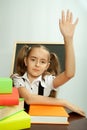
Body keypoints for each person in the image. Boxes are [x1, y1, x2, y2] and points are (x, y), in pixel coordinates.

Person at [11, 10, 85, 116]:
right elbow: (29, 99)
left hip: (42, 118)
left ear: (47, 66)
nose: (37, 64)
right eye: (33, 59)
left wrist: (68, 39)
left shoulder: (48, 81)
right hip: (20, 119)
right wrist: (64, 102)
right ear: (25, 61)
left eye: (42, 62)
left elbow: (70, 74)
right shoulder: (17, 78)